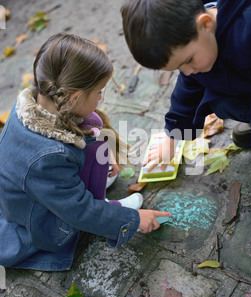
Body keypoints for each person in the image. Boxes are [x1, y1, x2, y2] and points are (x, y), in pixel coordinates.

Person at [0, 33, 171, 271]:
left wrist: (104, 153)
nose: (102, 98)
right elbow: (78, 210)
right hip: (44, 223)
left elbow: (86, 125)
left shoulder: (33, 107)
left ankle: (96, 187)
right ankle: (105, 205)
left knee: (94, 140)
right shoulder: (47, 158)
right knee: (84, 196)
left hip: (46, 190)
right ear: (75, 97)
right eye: (99, 92)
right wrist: (132, 221)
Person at [121, 0, 251, 171]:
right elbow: (187, 91)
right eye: (179, 68)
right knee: (220, 103)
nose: (188, 71)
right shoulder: (199, 43)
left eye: (188, 61)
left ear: (205, 24)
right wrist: (172, 138)